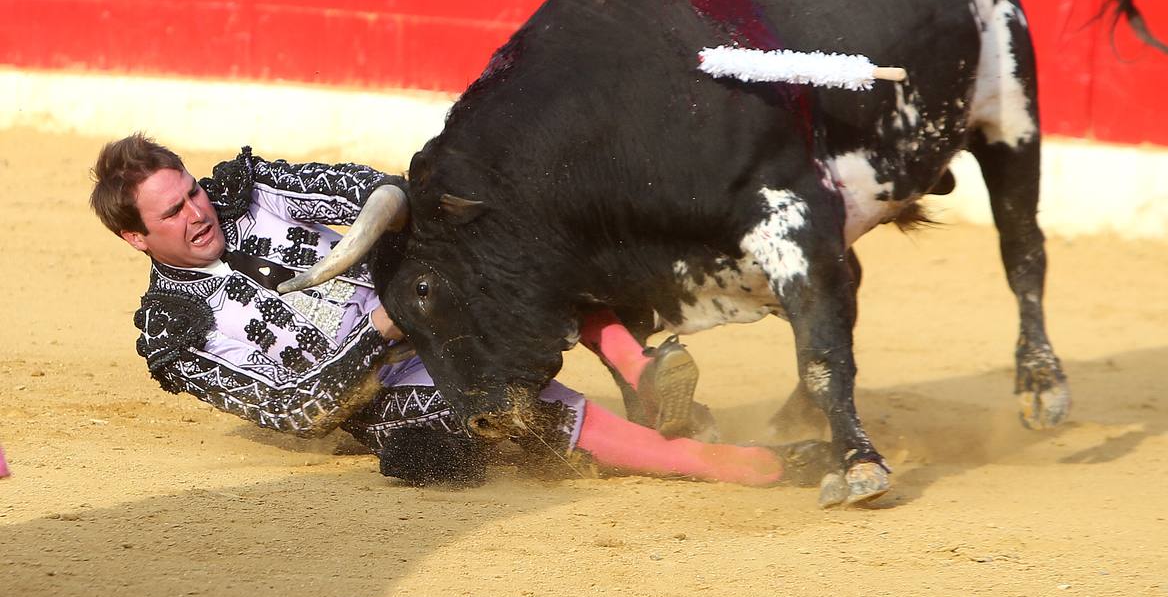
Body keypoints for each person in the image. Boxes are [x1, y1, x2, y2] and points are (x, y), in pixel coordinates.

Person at [90, 134, 827, 488]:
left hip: (415, 291)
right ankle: (699, 459)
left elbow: (369, 192)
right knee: (480, 402)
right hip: (374, 397)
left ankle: (638, 371)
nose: (196, 211)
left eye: (189, 191)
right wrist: (380, 331)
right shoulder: (177, 334)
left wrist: (403, 241)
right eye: (172, 211)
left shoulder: (252, 189)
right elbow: (295, 405)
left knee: (499, 237)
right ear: (134, 238)